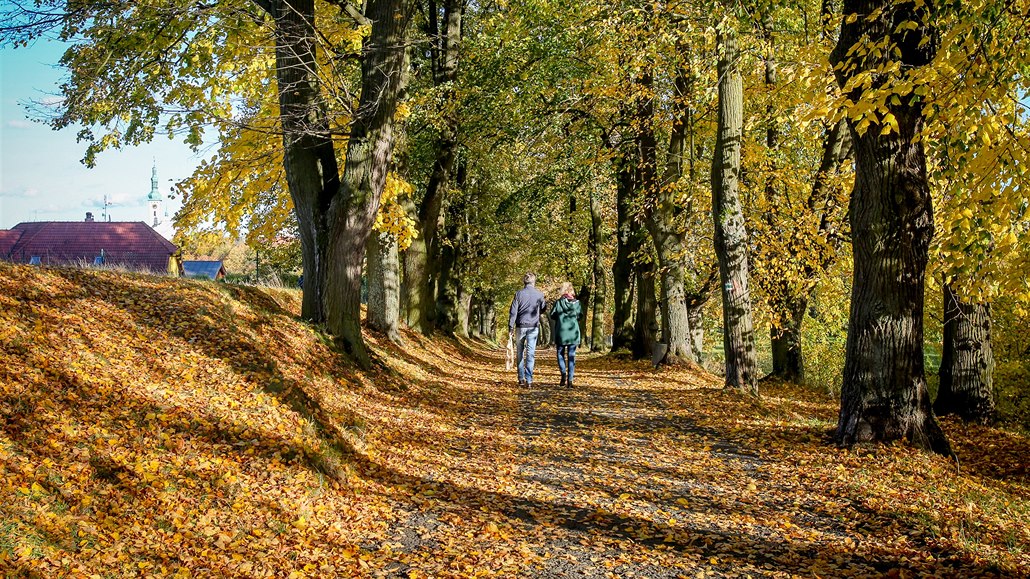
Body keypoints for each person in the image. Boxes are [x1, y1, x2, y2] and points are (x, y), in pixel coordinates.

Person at [509, 273, 547, 386]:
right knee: (530, 354)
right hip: (533, 327)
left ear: (524, 282)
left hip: (520, 326)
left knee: (520, 352)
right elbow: (543, 308)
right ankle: (529, 380)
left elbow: (513, 312)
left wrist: (510, 327)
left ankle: (521, 379)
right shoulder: (539, 294)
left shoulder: (518, 294)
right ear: (534, 282)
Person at [550, 282, 582, 388]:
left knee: (560, 354)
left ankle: (563, 374)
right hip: (573, 332)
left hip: (561, 331)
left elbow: (552, 315)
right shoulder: (577, 303)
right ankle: (570, 380)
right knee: (571, 355)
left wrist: (560, 317)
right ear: (572, 290)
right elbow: (580, 315)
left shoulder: (558, 303)